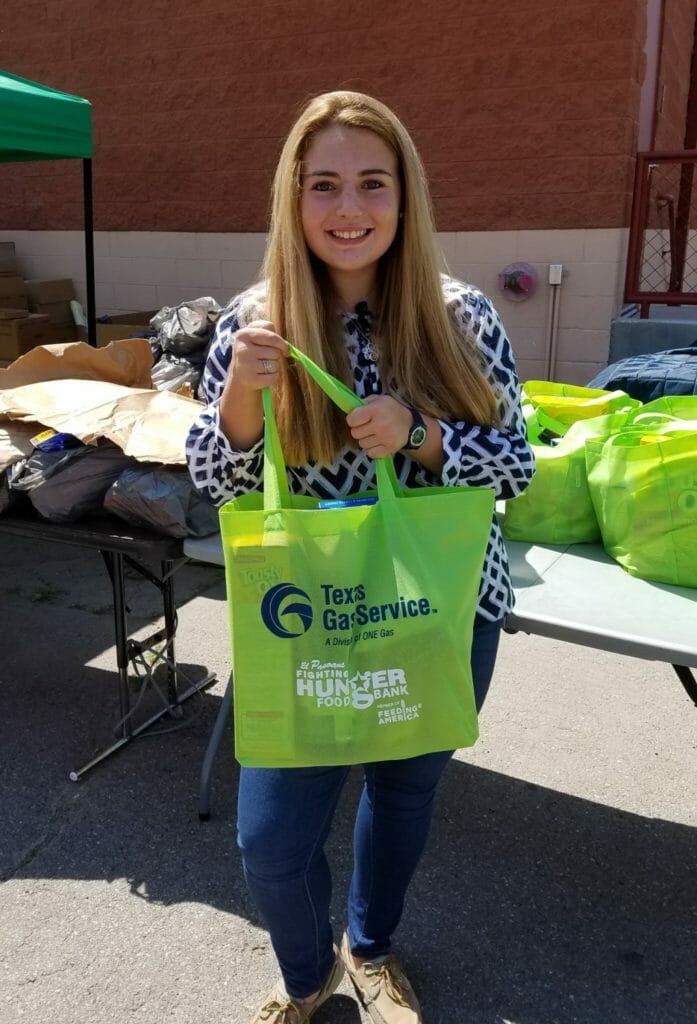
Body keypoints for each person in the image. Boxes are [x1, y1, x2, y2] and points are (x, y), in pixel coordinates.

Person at [186, 90, 535, 1024]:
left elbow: (517, 463)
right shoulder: (253, 324)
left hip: (443, 609)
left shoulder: (458, 316)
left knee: (403, 794)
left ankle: (372, 950)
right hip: (308, 615)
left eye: (372, 184)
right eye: (325, 185)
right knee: (269, 841)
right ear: (292, 200)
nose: (349, 209)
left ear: (404, 197)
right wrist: (239, 408)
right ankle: (310, 977)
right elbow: (216, 481)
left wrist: (420, 433)